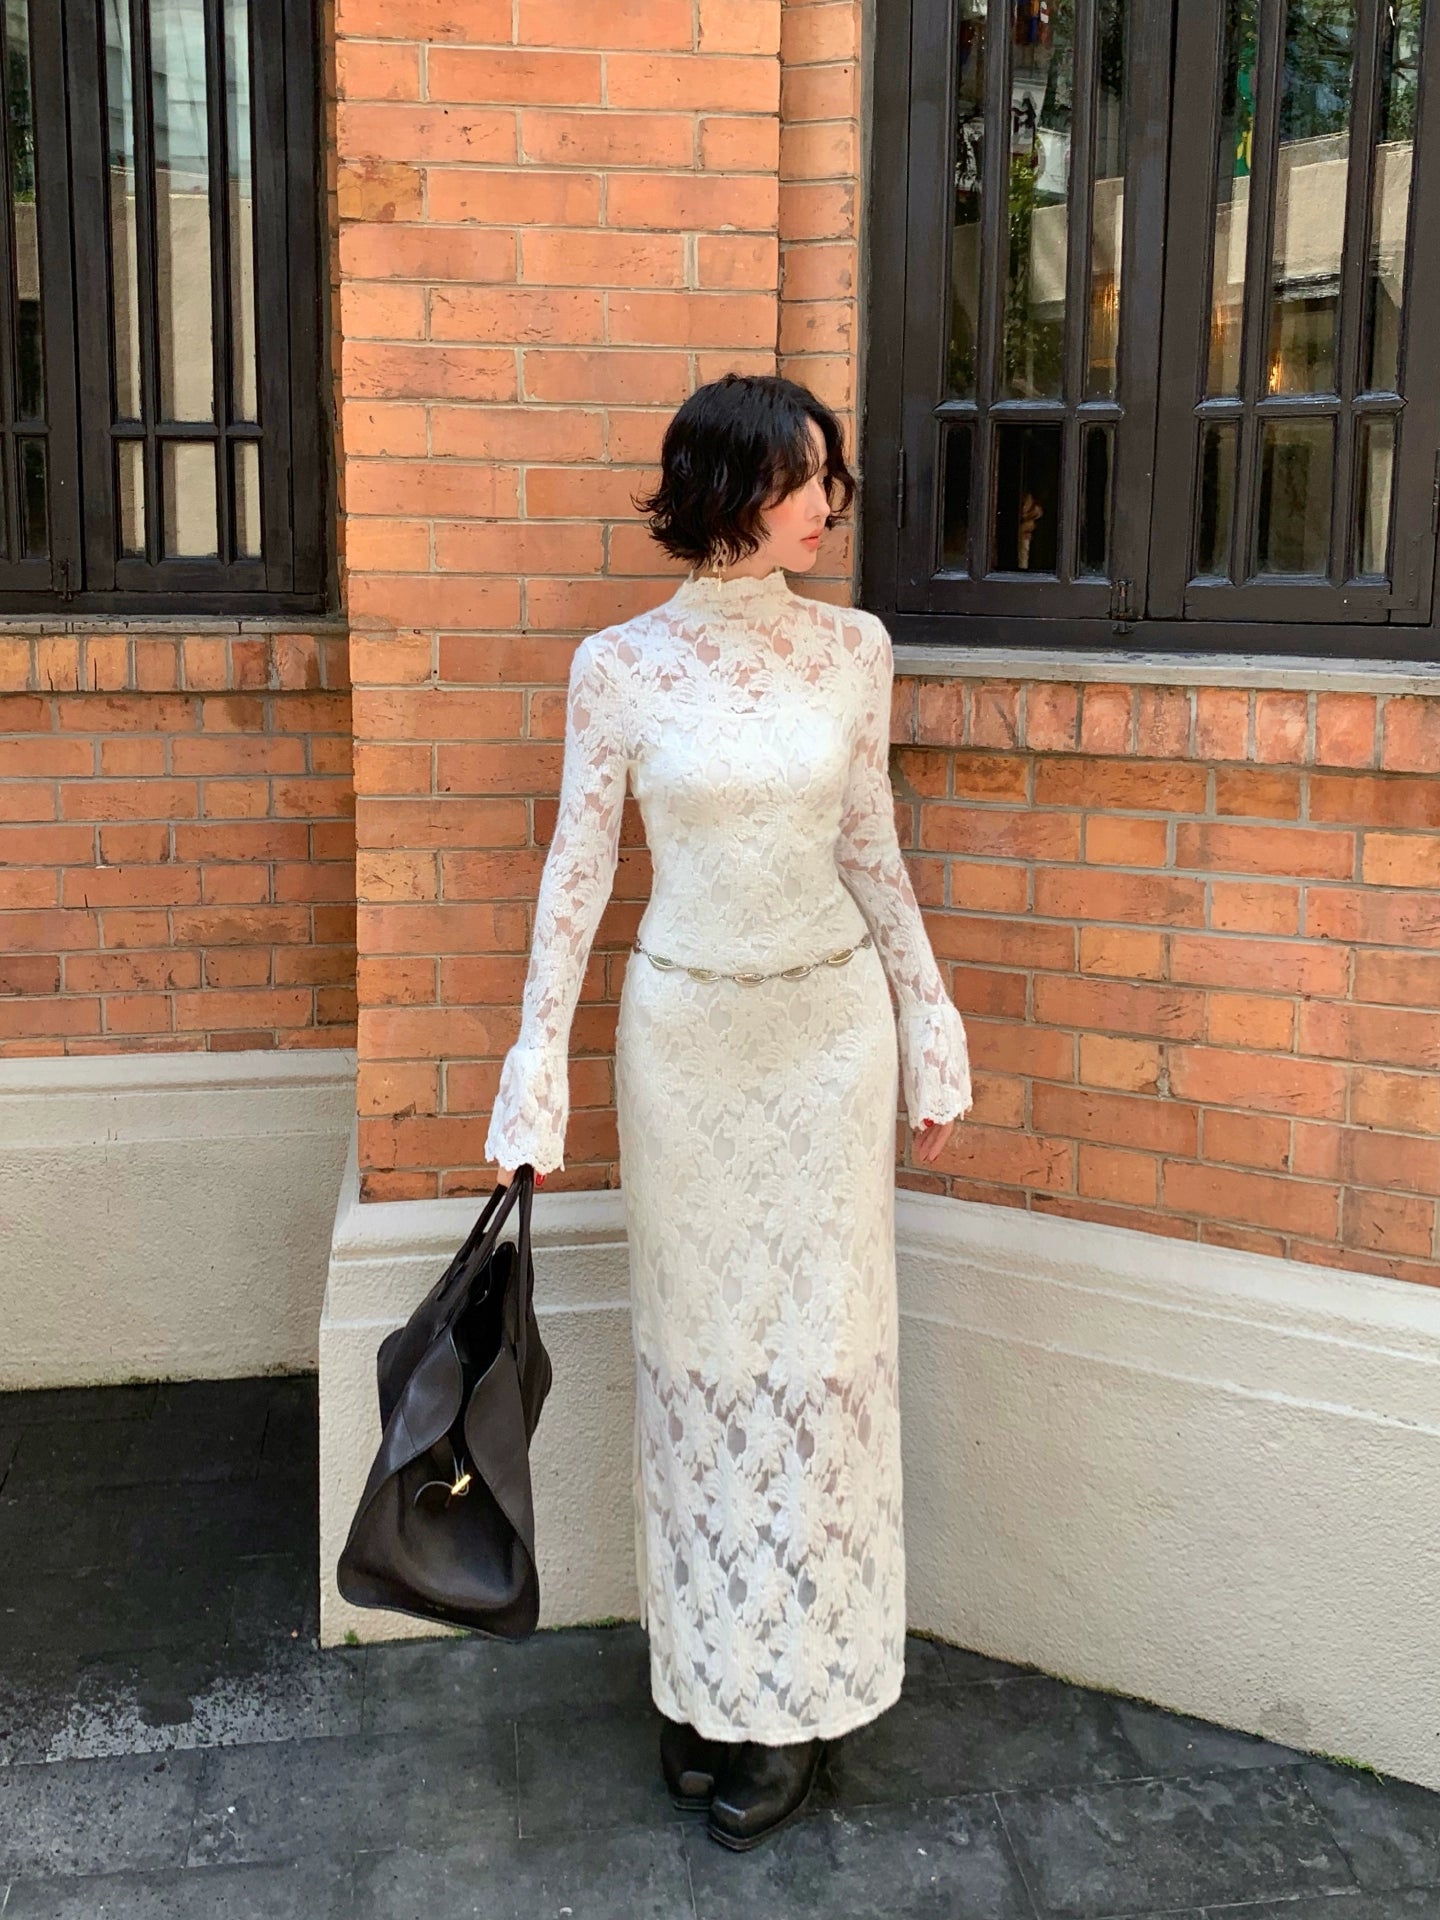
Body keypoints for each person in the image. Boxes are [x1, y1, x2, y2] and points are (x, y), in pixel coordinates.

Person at [486, 373, 972, 1850]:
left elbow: (872, 846)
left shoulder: (854, 649)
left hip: (827, 1040)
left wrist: (931, 1024)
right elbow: (578, 874)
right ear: (729, 487)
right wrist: (534, 1066)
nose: (830, 503)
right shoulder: (620, 667)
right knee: (696, 1362)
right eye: (805, 477)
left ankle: (799, 1700)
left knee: (819, 1363)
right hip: (688, 1049)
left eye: (832, 477)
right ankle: (709, 1681)